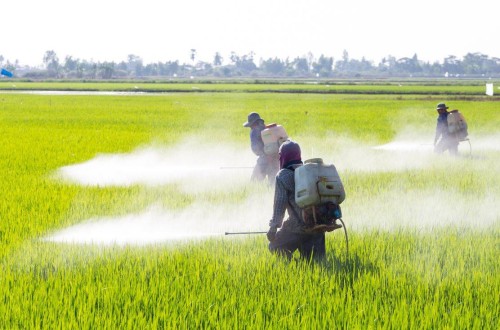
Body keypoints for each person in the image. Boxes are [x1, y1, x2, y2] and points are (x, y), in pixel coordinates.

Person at [266, 140, 327, 261]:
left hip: (296, 227)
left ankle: (296, 265)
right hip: (318, 226)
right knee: (316, 265)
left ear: (283, 156)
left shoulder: (283, 175)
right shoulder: (309, 172)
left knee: (274, 246)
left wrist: (273, 228)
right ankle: (301, 268)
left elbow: (279, 205)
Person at [243, 112, 279, 185]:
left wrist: (263, 157)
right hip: (276, 158)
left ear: (252, 123)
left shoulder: (254, 132)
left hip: (264, 160)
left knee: (254, 183)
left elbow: (255, 148)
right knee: (273, 184)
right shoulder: (266, 128)